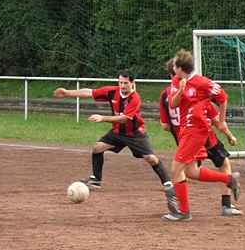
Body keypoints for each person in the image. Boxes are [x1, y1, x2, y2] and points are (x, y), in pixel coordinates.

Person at [53, 70, 178, 213]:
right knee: (97, 148)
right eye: (120, 82)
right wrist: (67, 93)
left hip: (135, 134)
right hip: (118, 132)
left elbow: (124, 118)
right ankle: (96, 179)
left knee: (151, 158)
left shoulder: (135, 98)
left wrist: (103, 118)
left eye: (125, 83)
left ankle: (167, 182)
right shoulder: (112, 92)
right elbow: (90, 92)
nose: (123, 85)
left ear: (132, 83)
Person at [163, 49, 241, 222]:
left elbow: (223, 98)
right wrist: (181, 91)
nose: (172, 67)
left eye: (174, 64)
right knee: (191, 171)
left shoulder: (202, 83)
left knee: (176, 169)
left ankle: (183, 212)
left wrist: (221, 121)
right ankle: (229, 178)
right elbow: (173, 103)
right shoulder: (177, 81)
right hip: (185, 130)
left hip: (196, 131)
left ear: (180, 67)